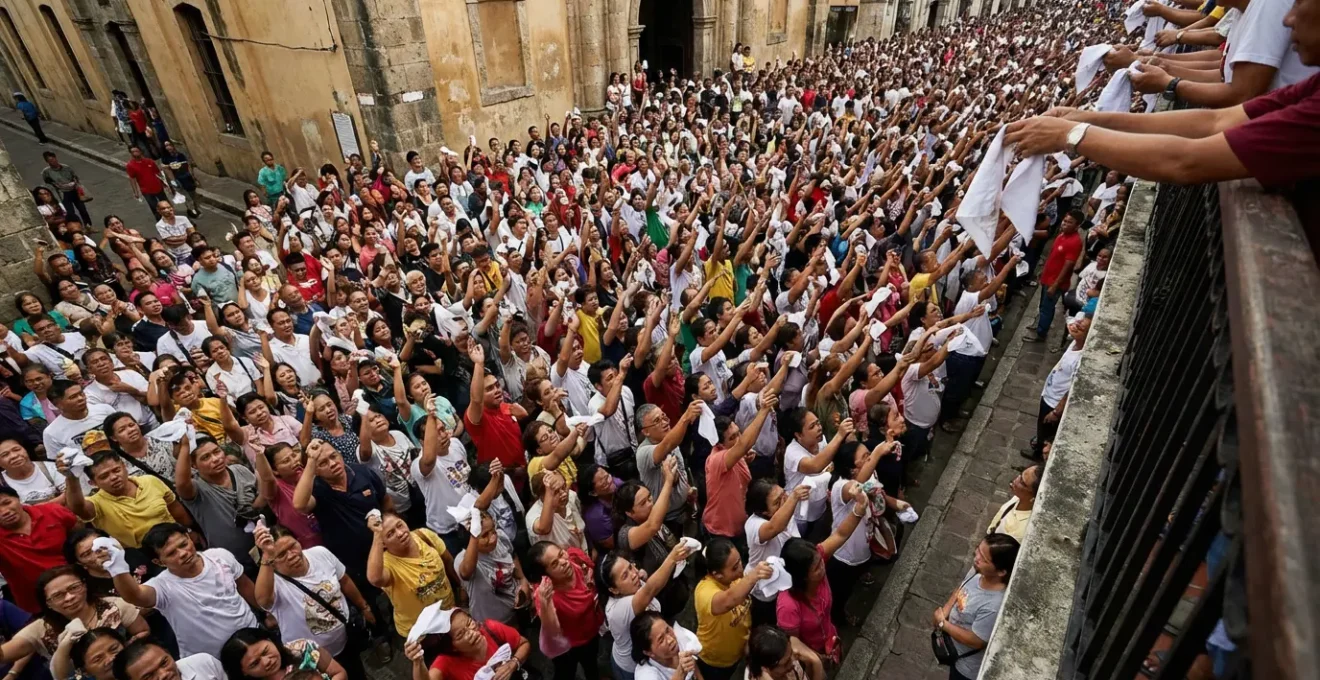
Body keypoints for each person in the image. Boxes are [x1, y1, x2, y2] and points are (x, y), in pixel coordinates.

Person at [99, 522, 261, 658]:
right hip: (213, 659)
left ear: (190, 538)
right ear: (159, 561)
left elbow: (245, 585)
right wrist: (117, 567)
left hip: (255, 637)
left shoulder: (219, 556)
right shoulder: (162, 586)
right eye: (171, 553)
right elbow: (135, 596)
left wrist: (268, 612)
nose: (183, 553)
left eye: (184, 544)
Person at [0, 565, 150, 678]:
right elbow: (4, 654)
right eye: (58, 595)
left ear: (85, 586)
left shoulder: (115, 605)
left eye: (74, 588)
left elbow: (143, 631)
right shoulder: (41, 629)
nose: (69, 597)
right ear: (48, 603)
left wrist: (124, 653)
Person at [933, 534, 1021, 680]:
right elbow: (960, 590)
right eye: (978, 550)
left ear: (1001, 572)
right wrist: (946, 610)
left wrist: (943, 623)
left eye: (984, 559)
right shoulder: (979, 571)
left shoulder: (994, 606)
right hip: (953, 647)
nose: (976, 558)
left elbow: (976, 641)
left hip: (965, 667)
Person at [365, 510, 461, 638]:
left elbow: (448, 561)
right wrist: (377, 533)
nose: (400, 533)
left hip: (449, 614)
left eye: (399, 525)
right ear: (383, 543)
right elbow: (375, 578)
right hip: (424, 633)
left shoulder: (424, 535)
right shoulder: (387, 564)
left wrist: (462, 588)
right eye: (390, 534)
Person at [693, 538, 773, 680]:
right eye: (734, 567)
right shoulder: (703, 592)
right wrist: (754, 576)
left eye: (739, 562)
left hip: (736, 653)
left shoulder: (735, 579)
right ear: (717, 574)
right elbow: (729, 600)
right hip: (714, 662)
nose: (741, 569)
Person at [526, 541, 603, 680]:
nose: (564, 562)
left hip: (592, 631)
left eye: (561, 554)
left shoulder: (576, 557)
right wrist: (545, 603)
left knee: (592, 665)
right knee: (567, 672)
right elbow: (552, 631)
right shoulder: (547, 596)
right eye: (554, 564)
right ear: (546, 575)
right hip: (571, 645)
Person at [0, 486, 80, 613]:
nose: (4, 511)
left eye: (7, 502)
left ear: (18, 499)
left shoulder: (52, 511)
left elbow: (79, 535)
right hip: (39, 608)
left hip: (80, 589)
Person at [401, 607, 530, 680]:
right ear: (452, 647)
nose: (472, 632)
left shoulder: (491, 628)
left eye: (469, 623)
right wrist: (418, 661)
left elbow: (524, 643)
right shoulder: (446, 662)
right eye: (461, 634)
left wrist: (513, 664)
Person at [218, 627, 347, 680]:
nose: (266, 661)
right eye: (254, 664)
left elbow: (339, 673)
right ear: (243, 672)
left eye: (266, 651)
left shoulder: (303, 649)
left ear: (270, 641)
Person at [629, 612, 701, 680]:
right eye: (661, 640)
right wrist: (680, 673)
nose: (670, 640)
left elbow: (695, 670)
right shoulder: (646, 675)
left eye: (667, 630)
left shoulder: (681, 637)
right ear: (649, 652)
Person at [745, 625, 826, 680]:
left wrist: (815, 661)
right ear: (765, 668)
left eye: (791, 653)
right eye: (786, 663)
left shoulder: (787, 658)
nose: (793, 663)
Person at [988, 466, 1041, 542]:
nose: (1016, 480)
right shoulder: (1019, 498)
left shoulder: (1018, 533)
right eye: (1020, 475)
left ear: (1034, 496)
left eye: (1022, 483)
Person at [125, 146, 168, 220]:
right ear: (131, 154)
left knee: (166, 205)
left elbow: (158, 173)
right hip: (146, 190)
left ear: (141, 151)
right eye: (133, 152)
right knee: (155, 207)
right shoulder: (130, 165)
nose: (135, 153)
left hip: (158, 187)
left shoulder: (149, 161)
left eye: (137, 151)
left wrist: (165, 183)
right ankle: (160, 222)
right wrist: (136, 192)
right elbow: (132, 179)